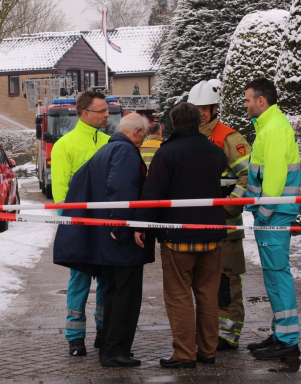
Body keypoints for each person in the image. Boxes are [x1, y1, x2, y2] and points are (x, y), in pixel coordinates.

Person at [133, 102, 229, 369]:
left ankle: (184, 354)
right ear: (199, 122)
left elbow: (153, 194)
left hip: (178, 238)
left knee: (179, 296)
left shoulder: (167, 153)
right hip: (212, 234)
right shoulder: (215, 151)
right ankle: (208, 351)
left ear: (173, 124)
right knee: (208, 294)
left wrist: (141, 226)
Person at [61, 113, 155, 367]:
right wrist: (122, 225)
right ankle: (116, 350)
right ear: (136, 132)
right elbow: (121, 189)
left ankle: (109, 346)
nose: (144, 141)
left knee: (114, 292)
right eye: (144, 136)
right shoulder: (125, 152)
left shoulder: (106, 150)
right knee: (127, 294)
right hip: (121, 239)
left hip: (107, 237)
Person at [188, 79, 251, 351]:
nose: (201, 113)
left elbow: (248, 175)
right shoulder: (190, 136)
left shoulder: (229, 138)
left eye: (206, 108)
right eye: (197, 108)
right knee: (204, 283)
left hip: (226, 226)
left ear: (215, 109)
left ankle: (228, 334)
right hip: (200, 226)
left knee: (227, 281)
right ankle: (210, 332)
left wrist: (229, 206)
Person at [242, 78, 301, 360]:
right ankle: (281, 333)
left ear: (261, 101)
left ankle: (288, 339)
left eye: (247, 100)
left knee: (278, 275)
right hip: (272, 214)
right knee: (274, 275)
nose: (245, 104)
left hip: (273, 215)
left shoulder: (274, 129)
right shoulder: (269, 126)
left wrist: (263, 214)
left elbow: (275, 179)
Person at [51, 90, 111, 357]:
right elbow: (61, 193)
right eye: (102, 111)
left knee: (108, 279)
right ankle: (75, 338)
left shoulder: (112, 143)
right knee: (80, 280)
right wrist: (73, 224)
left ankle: (103, 332)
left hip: (108, 224)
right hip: (81, 225)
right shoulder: (65, 145)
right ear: (85, 114)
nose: (107, 115)